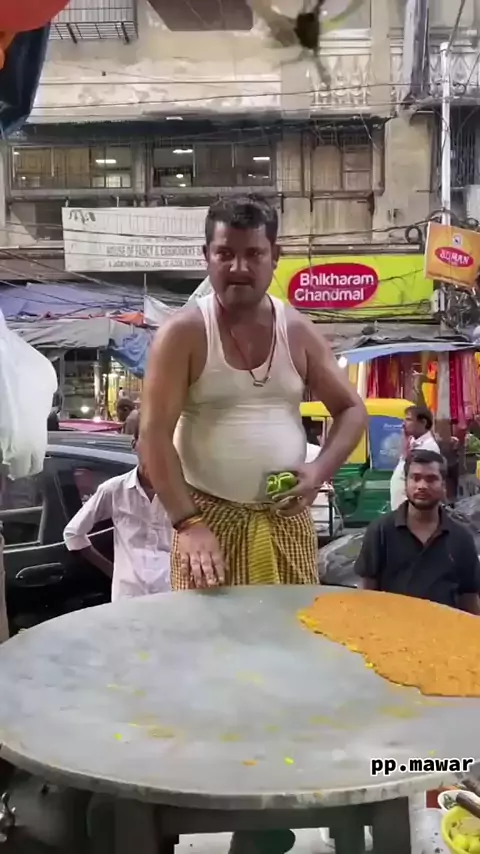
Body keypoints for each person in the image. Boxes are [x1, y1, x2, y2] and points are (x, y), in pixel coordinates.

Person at [141, 195, 367, 590]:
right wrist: (188, 523)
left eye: (253, 254)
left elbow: (352, 409)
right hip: (206, 527)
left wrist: (318, 472)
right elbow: (153, 436)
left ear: (274, 256)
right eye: (225, 254)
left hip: (286, 521)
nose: (239, 268)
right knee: (209, 631)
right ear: (206, 256)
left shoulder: (296, 330)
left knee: (292, 626)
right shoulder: (184, 334)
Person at [355, 449, 480, 613]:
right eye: (415, 478)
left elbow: (469, 599)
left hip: (444, 627)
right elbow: (366, 593)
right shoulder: (381, 531)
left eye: (431, 479)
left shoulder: (461, 538)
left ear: (443, 485)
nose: (422, 486)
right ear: (406, 483)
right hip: (392, 626)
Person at [63, 422, 172, 599]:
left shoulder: (184, 494)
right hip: (128, 595)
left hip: (172, 594)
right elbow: (73, 534)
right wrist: (111, 571)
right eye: (148, 440)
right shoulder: (114, 490)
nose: (155, 449)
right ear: (134, 445)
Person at [390, 404, 440, 511]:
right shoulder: (412, 441)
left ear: (423, 422)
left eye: (409, 420)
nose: (404, 424)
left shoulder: (429, 447)